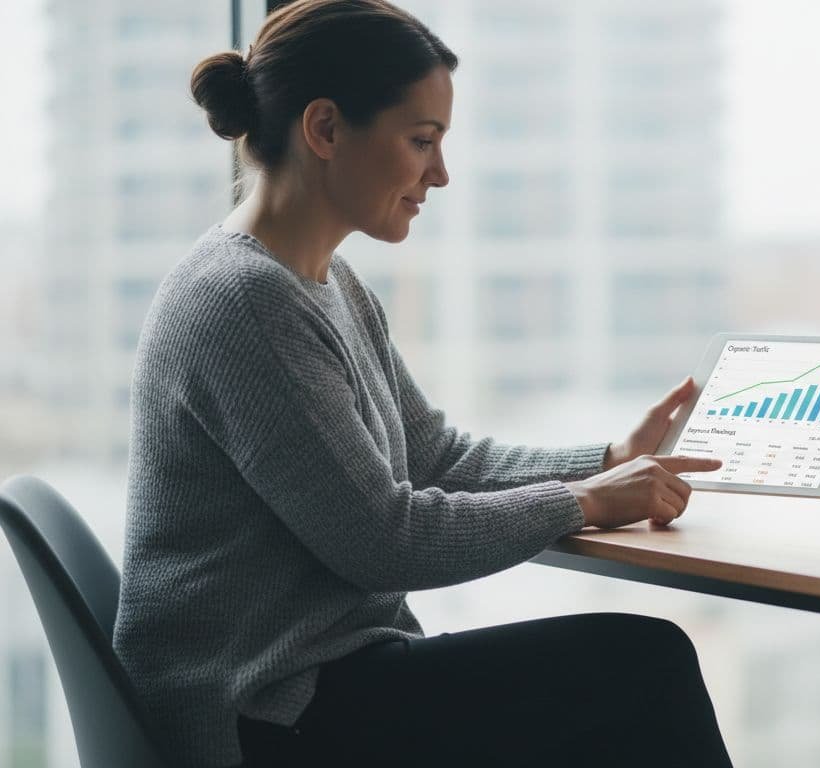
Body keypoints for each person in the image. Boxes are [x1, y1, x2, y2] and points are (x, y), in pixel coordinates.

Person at [109, 1, 735, 766]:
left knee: (620, 676)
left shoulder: (322, 280)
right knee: (641, 665)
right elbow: (383, 541)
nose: (439, 173)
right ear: (326, 130)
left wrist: (604, 458)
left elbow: (430, 455)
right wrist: (584, 500)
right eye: (421, 141)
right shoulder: (245, 300)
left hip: (325, 683)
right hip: (265, 708)